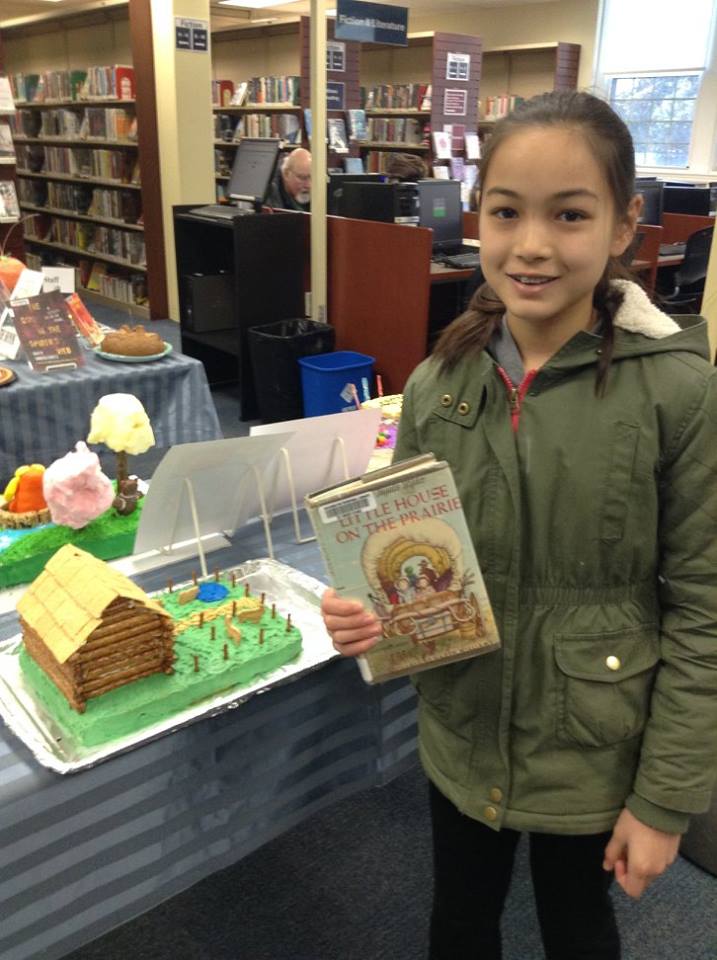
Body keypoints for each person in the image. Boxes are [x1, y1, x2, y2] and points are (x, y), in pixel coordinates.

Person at [320, 90, 717, 960]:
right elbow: (403, 552)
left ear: (623, 224)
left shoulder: (678, 394)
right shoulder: (440, 379)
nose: (531, 244)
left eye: (568, 214)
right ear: (479, 217)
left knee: (577, 928)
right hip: (462, 726)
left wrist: (663, 803)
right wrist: (367, 611)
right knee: (459, 921)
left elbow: (704, 612)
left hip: (593, 743)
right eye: (505, 212)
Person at [265, 147, 311, 211]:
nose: (308, 185)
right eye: (302, 178)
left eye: (311, 177)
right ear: (286, 174)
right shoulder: (269, 190)